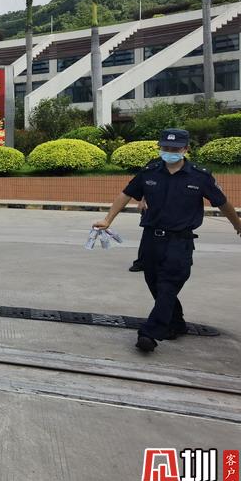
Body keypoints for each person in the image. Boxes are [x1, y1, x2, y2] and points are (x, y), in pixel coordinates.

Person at [93, 128, 241, 353]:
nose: (169, 152)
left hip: (179, 241)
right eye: (166, 148)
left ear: (185, 149)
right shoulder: (150, 172)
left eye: (175, 148)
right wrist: (107, 219)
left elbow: (222, 202)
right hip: (151, 239)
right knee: (154, 283)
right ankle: (176, 323)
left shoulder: (200, 176)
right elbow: (126, 193)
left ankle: (150, 333)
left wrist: (237, 224)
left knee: (168, 285)